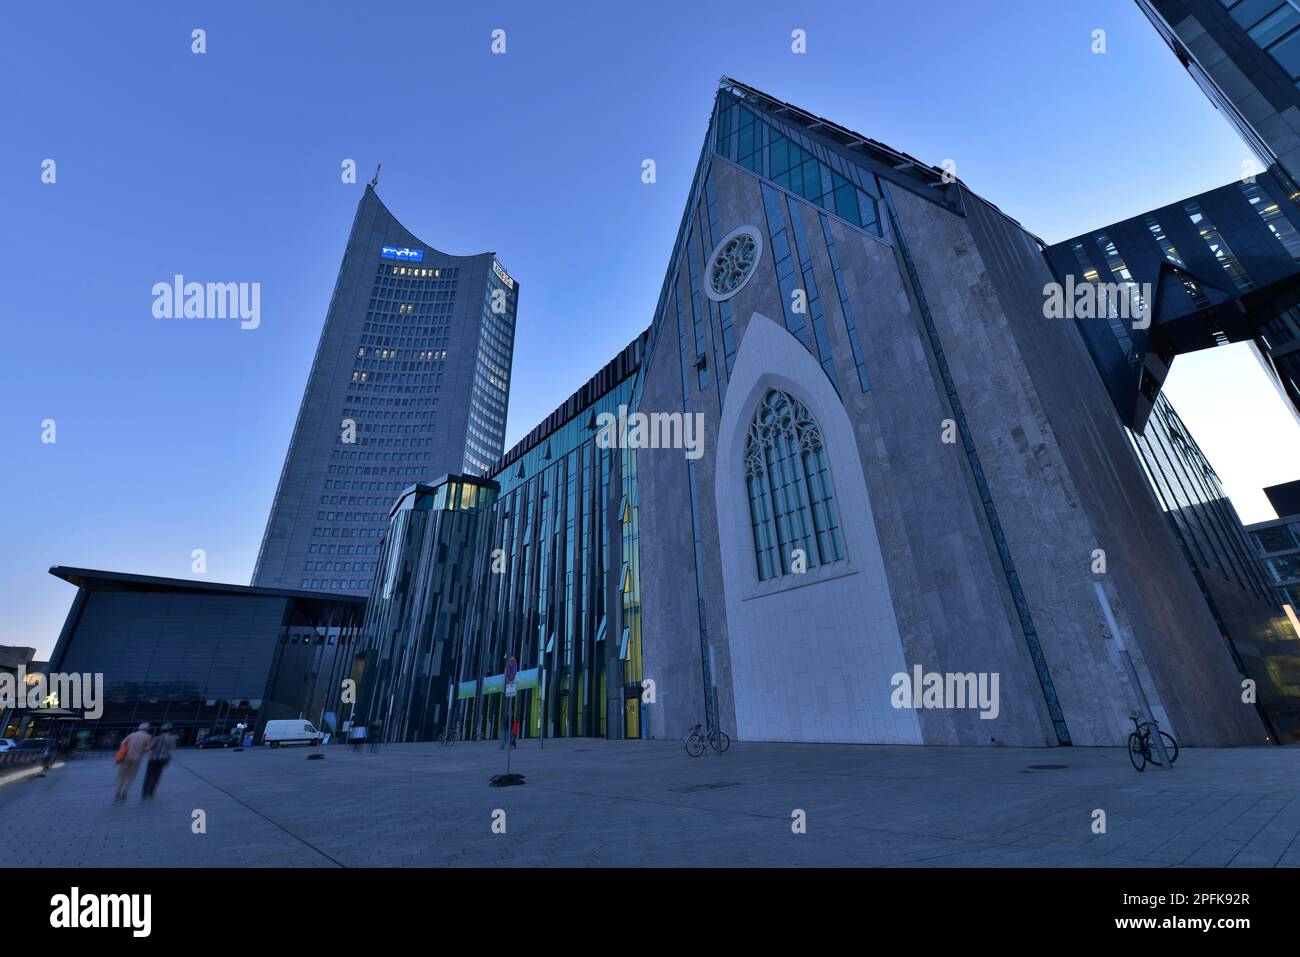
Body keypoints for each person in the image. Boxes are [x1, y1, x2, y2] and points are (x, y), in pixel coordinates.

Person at [114, 723, 152, 803]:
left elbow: (122, 744)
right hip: (137, 759)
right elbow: (147, 748)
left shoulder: (131, 735)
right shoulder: (148, 736)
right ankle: (124, 792)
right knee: (130, 776)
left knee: (121, 775)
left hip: (126, 758)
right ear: (147, 729)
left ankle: (118, 792)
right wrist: (143, 749)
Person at [141, 723, 177, 799]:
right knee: (157, 777)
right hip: (162, 760)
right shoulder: (172, 739)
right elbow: (173, 748)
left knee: (148, 776)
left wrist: (143, 748)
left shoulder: (157, 738)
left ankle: (144, 793)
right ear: (170, 731)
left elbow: (148, 749)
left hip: (153, 759)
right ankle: (151, 793)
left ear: (162, 730)